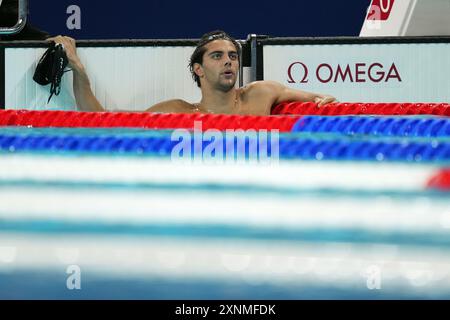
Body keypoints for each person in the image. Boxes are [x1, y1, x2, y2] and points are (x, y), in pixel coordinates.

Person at [47, 30, 337, 115]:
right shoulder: (178, 111)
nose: (229, 62)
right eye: (218, 56)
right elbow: (102, 120)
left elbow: (318, 97)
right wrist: (78, 70)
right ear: (198, 69)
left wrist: (323, 99)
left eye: (233, 56)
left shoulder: (261, 94)